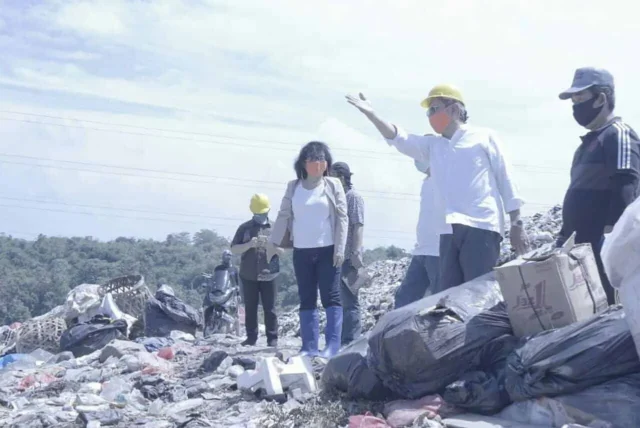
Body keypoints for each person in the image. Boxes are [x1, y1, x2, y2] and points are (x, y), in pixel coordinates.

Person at [346, 85, 528, 290]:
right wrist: (372, 115)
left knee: (479, 293)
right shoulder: (433, 146)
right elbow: (399, 137)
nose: (431, 116)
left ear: (455, 109)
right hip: (447, 230)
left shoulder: (484, 137)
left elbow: (506, 178)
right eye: (429, 112)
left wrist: (516, 222)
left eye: (435, 109)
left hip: (481, 226)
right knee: (450, 297)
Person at [557, 67, 640, 305]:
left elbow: (626, 183)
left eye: (580, 98)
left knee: (611, 310)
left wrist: (612, 236)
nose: (575, 106)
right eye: (573, 100)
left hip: (603, 249)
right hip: (581, 250)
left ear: (602, 98)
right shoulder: (587, 144)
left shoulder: (618, 135)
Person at [268, 141, 348, 358]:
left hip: (328, 249)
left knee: (331, 296)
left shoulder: (333, 185)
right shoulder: (294, 187)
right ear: (304, 163)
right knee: (307, 297)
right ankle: (309, 347)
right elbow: (283, 214)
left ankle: (332, 346)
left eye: (322, 159)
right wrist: (273, 244)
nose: (318, 163)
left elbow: (342, 218)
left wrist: (340, 248)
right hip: (302, 250)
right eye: (314, 159)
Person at [393, 157, 451, 308]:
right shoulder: (426, 182)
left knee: (439, 300)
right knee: (404, 297)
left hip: (438, 251)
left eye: (421, 156)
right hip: (421, 250)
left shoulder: (447, 178)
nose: (418, 161)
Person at [231, 194, 281, 347]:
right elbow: (233, 248)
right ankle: (251, 337)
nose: (261, 216)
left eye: (263, 213)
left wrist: (270, 246)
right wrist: (248, 245)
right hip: (248, 274)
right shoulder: (244, 228)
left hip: (270, 273)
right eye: (258, 214)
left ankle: (272, 338)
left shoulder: (275, 228)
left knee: (270, 308)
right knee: (250, 308)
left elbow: (283, 250)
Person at [329, 161, 365, 345]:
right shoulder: (338, 199)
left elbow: (358, 225)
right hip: (337, 256)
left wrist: (356, 252)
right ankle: (343, 339)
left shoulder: (353, 197)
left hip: (349, 256)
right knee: (339, 301)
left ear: (341, 178)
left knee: (350, 301)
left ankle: (352, 340)